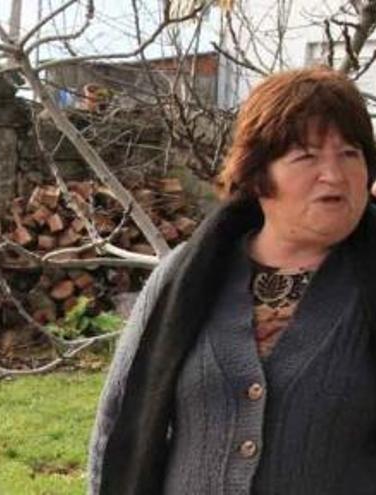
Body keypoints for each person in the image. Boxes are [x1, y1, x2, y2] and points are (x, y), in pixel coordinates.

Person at [88, 66, 376, 494]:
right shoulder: (188, 276)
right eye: (307, 156)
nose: (334, 174)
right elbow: (118, 422)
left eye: (350, 153)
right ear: (259, 176)